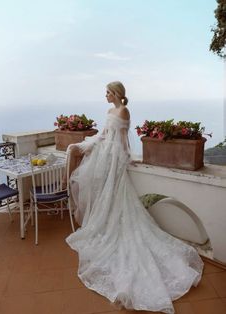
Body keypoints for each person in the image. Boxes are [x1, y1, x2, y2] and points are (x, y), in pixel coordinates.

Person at [65, 81, 203, 314]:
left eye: (108, 92)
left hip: (115, 158)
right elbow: (103, 135)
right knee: (103, 196)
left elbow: (122, 140)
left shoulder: (123, 111)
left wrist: (121, 160)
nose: (106, 95)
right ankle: (106, 225)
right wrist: (83, 145)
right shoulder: (110, 111)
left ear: (117, 94)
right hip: (104, 155)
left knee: (118, 199)